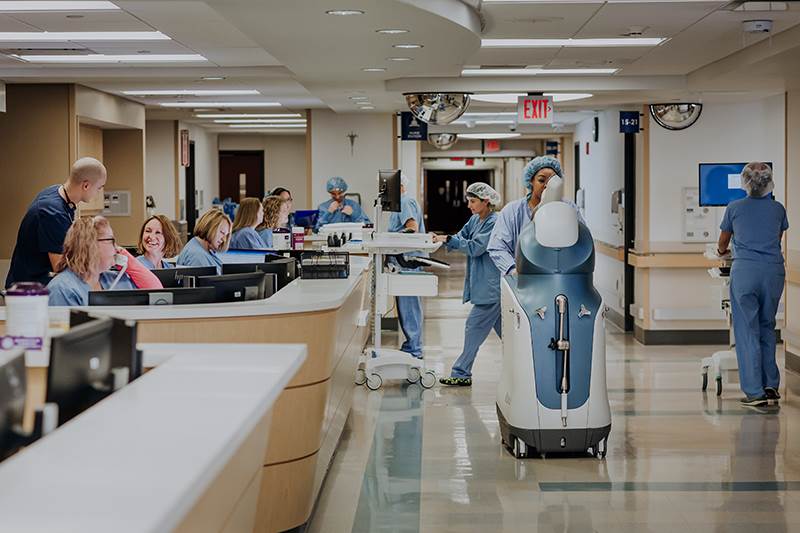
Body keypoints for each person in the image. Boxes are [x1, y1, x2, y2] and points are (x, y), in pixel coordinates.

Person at [717, 162, 788, 407]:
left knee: (747, 329)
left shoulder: (734, 207)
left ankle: (754, 392)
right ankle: (771, 385)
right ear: (769, 182)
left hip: (746, 271)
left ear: (745, 182)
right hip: (773, 272)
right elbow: (776, 238)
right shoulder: (778, 209)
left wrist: (721, 250)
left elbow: (723, 241)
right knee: (767, 325)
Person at [436, 183, 503, 386]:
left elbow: (475, 248)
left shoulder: (494, 222)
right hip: (483, 283)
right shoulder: (475, 219)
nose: (469, 205)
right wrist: (442, 238)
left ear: (486, 201)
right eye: (468, 201)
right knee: (511, 335)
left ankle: (461, 373)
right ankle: (531, 364)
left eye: (473, 201)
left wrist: (449, 240)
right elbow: (461, 237)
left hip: (491, 287)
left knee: (473, 326)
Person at [6, 157, 107, 288]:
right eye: (99, 188)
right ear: (86, 185)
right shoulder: (53, 214)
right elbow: (60, 268)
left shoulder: (56, 193)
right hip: (28, 291)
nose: (99, 193)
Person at [488, 156, 583, 276]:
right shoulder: (512, 211)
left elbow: (582, 241)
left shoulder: (569, 209)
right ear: (530, 181)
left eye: (552, 181)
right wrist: (512, 270)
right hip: (521, 279)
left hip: (561, 278)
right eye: (541, 180)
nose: (546, 186)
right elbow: (497, 247)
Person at [48, 216, 162, 306]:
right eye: (111, 240)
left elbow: (157, 292)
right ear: (92, 245)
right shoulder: (62, 290)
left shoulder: (113, 279)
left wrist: (126, 258)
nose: (116, 247)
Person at [387, 175, 425, 359]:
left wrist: (389, 239)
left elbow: (412, 227)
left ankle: (414, 349)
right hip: (403, 262)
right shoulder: (399, 204)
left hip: (407, 262)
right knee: (406, 308)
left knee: (409, 308)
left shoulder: (405, 201)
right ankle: (411, 346)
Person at [176, 208, 232, 274]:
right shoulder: (197, 256)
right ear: (210, 227)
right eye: (222, 232)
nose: (224, 239)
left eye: (226, 235)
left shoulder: (203, 249)